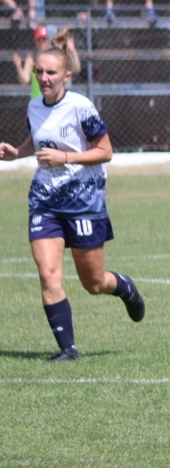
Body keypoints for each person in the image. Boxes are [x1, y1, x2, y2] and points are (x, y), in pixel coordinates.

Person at [0, 48, 146, 362]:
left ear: (67, 75)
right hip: (45, 200)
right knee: (48, 274)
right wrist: (17, 152)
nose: (43, 78)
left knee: (93, 283)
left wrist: (66, 157)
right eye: (39, 72)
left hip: (83, 200)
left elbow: (105, 151)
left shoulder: (82, 107)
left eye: (51, 72)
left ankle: (123, 286)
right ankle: (68, 348)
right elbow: (39, 141)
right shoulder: (34, 106)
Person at [12, 26, 81, 100]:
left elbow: (76, 69)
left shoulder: (55, 56)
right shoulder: (31, 58)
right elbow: (24, 80)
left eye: (44, 39)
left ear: (48, 40)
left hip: (55, 100)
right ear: (35, 42)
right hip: (37, 100)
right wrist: (18, 66)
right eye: (39, 40)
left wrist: (72, 50)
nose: (41, 43)